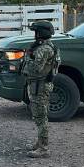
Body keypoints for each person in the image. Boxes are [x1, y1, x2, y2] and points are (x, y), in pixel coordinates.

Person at [21, 20, 60, 158]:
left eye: (36, 32)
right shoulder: (47, 47)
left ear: (41, 33)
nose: (35, 35)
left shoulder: (44, 49)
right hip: (39, 85)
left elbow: (36, 69)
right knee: (38, 115)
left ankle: (44, 148)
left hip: (40, 85)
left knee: (41, 117)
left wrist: (29, 55)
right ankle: (40, 142)